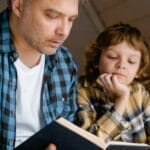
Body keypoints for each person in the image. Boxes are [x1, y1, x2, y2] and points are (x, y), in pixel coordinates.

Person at [0, 0, 86, 149]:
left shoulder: (65, 62)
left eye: (71, 19)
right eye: (52, 16)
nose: (64, 31)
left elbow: (68, 128)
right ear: (19, 6)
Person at [77, 23, 150, 144]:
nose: (122, 65)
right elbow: (89, 143)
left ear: (138, 71)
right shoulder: (82, 90)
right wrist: (121, 99)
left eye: (131, 61)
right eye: (112, 56)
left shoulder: (139, 91)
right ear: (96, 60)